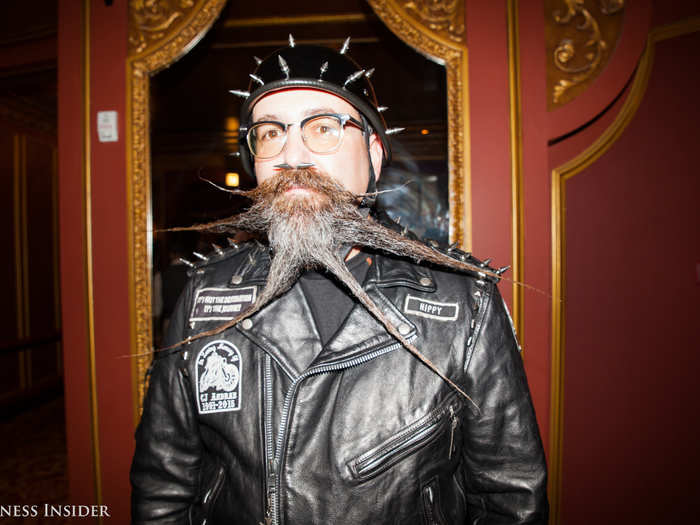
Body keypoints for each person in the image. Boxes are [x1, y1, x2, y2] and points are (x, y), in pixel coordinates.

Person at [130, 36, 548, 525]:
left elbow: (510, 498)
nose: (293, 155)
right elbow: (164, 486)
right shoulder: (205, 296)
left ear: (372, 154)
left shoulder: (463, 303)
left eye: (323, 128)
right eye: (270, 133)